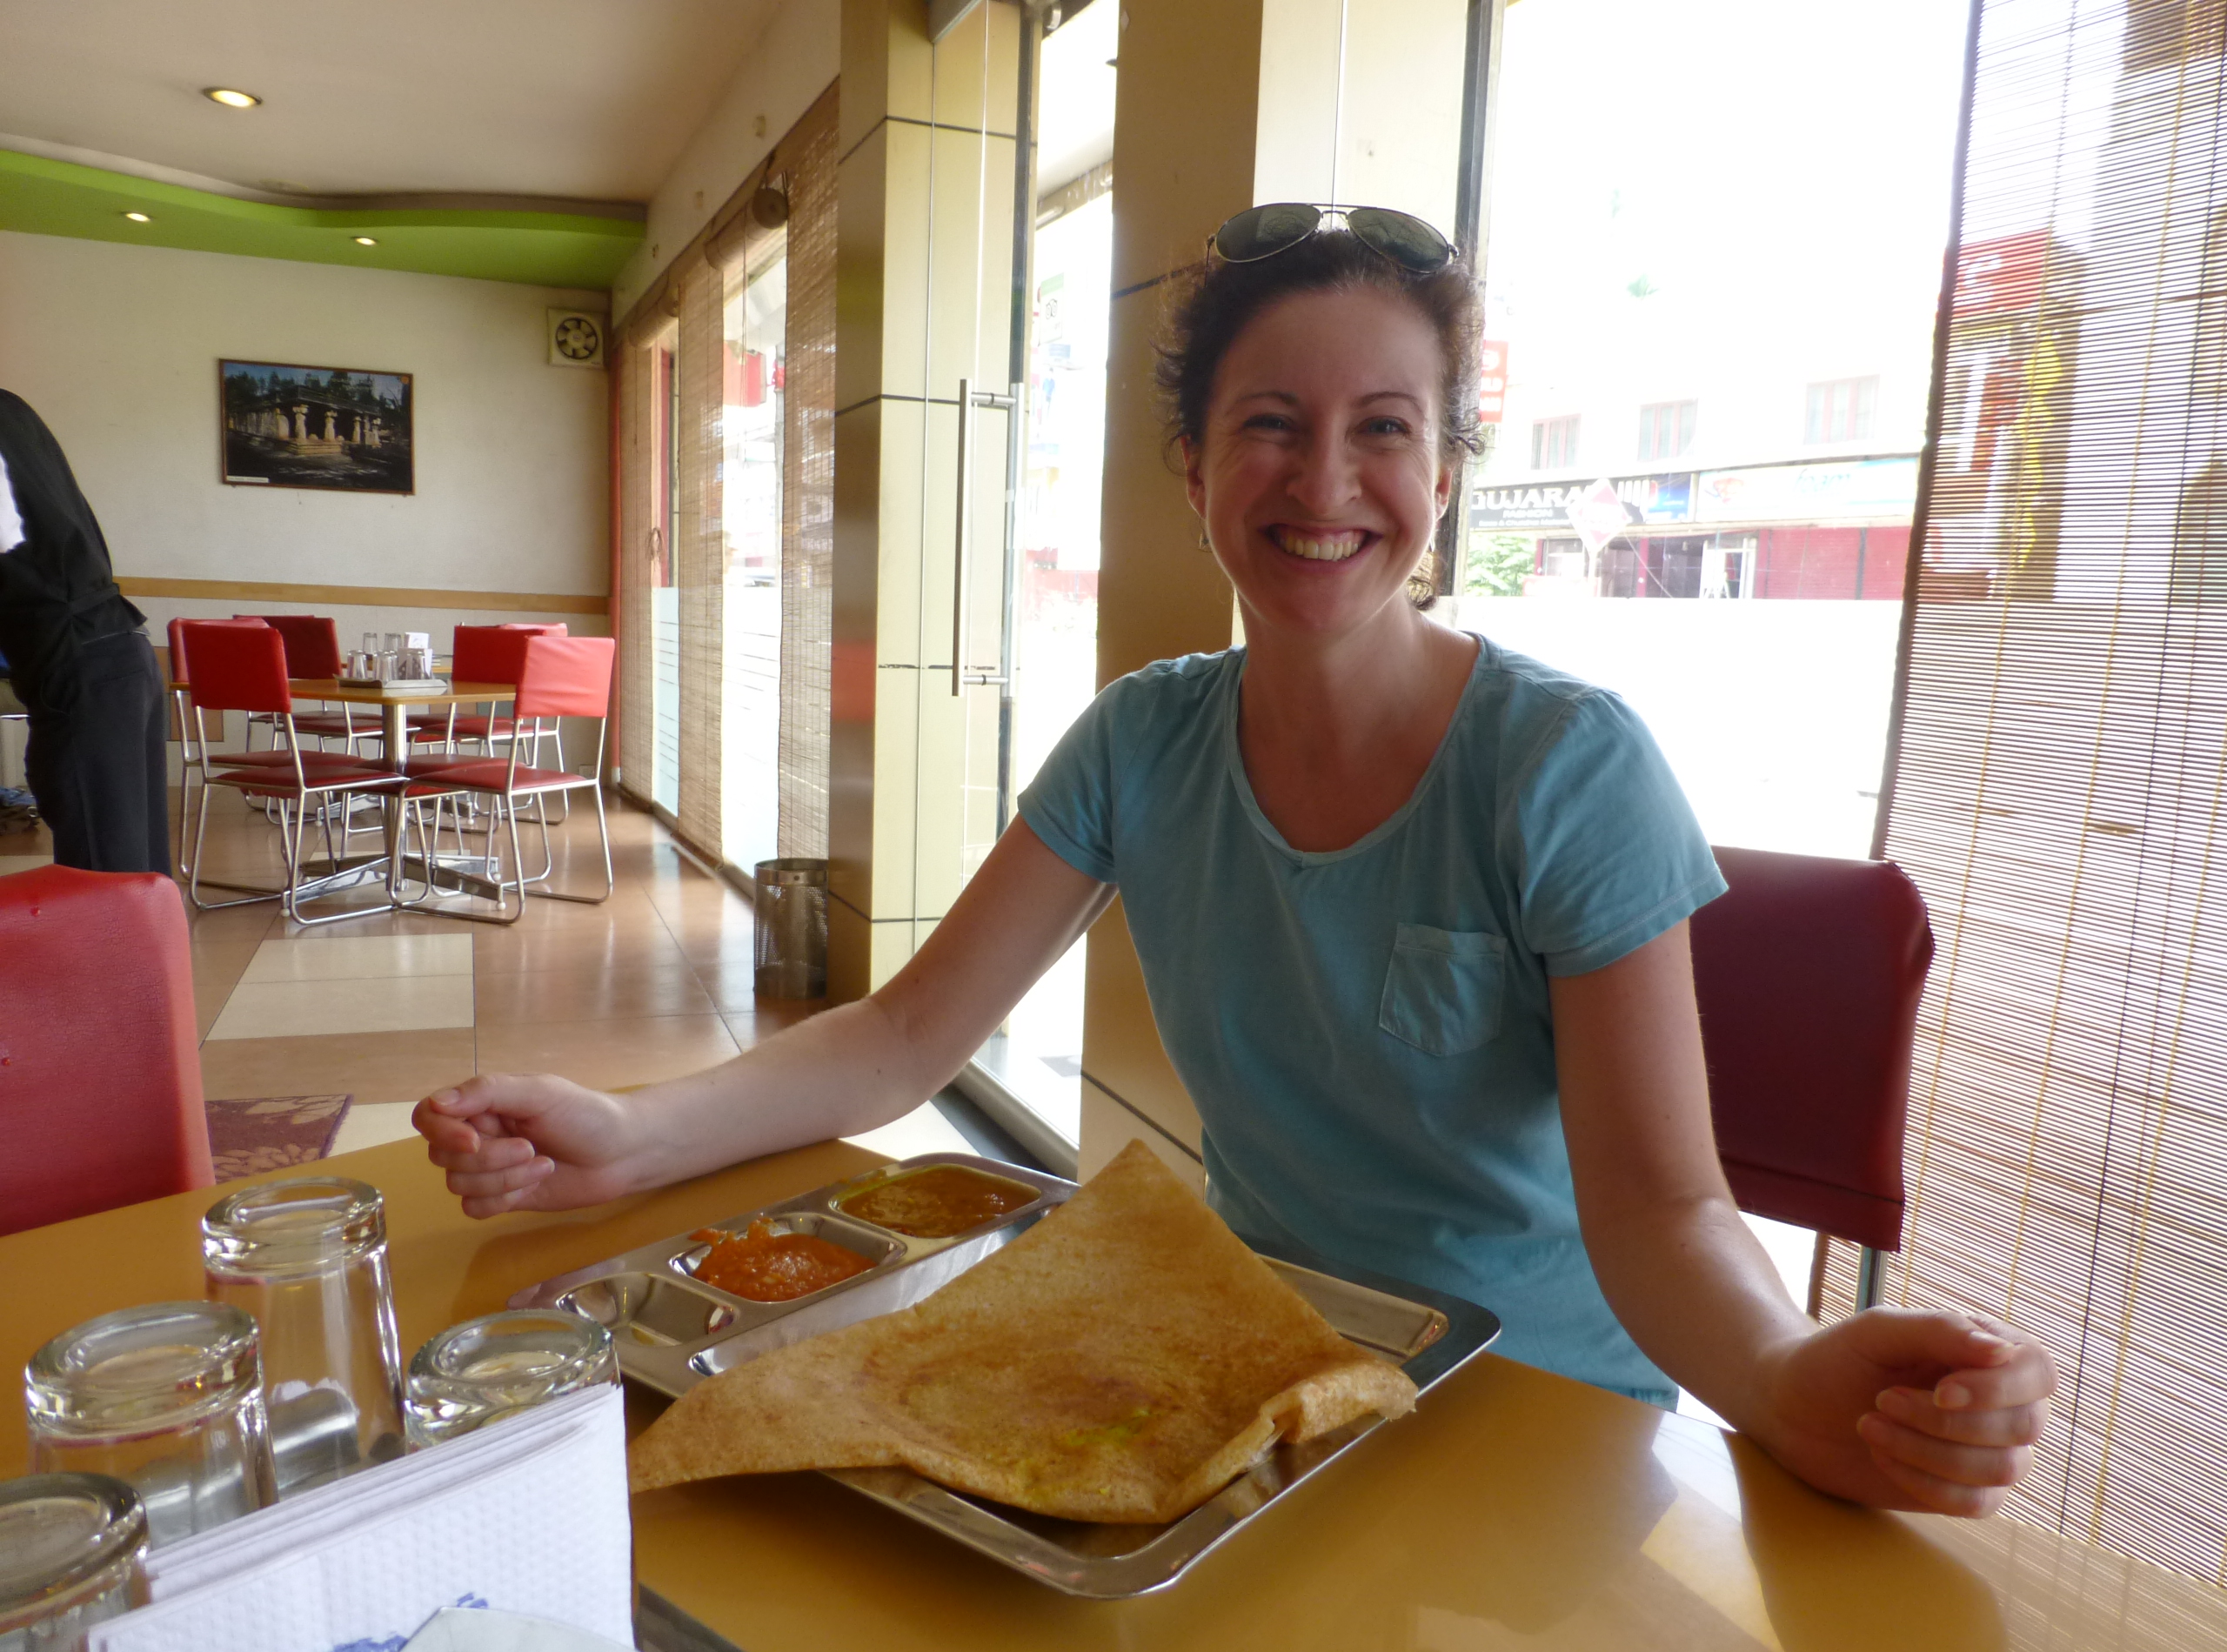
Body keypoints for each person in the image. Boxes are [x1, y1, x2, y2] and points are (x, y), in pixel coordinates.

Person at [417, 205, 2055, 1517]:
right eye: (1271, 425)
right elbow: (906, 1037)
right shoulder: (1143, 740)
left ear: (1443, 476)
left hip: (1539, 1423)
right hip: (1257, 1384)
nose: (1325, 481)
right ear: (1196, 470)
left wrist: (1779, 1379)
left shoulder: (1566, 769)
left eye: (1383, 429)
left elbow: (1664, 1207)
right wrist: (631, 1136)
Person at [0, 389, 170, 874]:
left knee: (105, 869)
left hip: (81, 662)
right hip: (118, 649)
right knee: (134, 866)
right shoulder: (11, 410)